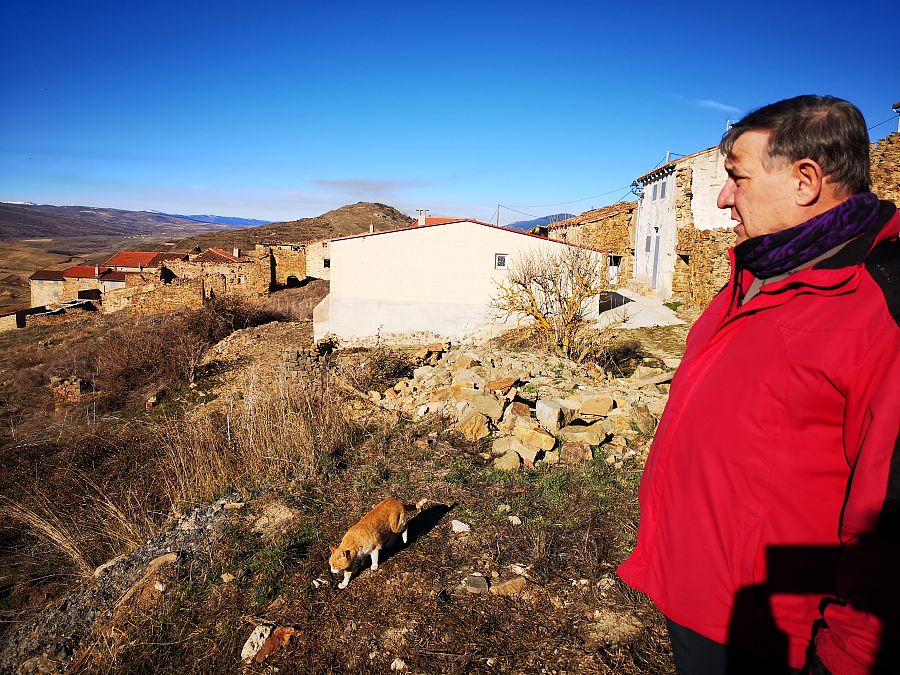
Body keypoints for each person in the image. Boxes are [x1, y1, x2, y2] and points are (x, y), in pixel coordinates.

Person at [617, 95, 899, 674]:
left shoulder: (878, 312)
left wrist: (847, 660)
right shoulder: (755, 276)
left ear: (805, 180)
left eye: (736, 178)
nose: (722, 196)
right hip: (702, 598)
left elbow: (891, 526)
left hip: (779, 639)